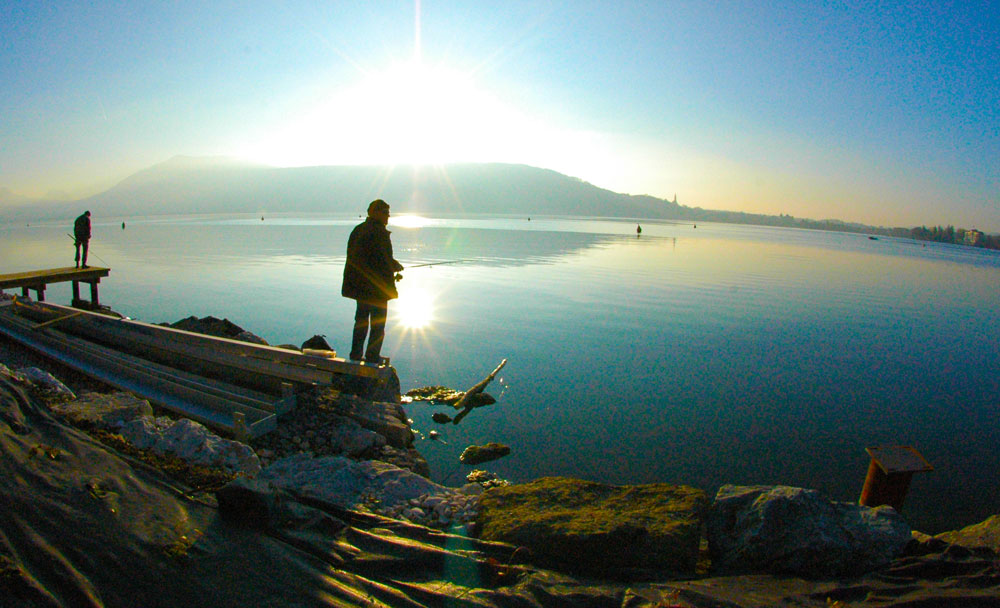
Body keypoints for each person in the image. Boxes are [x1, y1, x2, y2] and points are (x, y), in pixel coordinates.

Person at [341, 199, 404, 364]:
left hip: (359, 287)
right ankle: (372, 356)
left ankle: (355, 355)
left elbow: (361, 258)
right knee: (378, 325)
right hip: (376, 289)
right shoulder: (379, 233)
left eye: (388, 214)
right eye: (385, 213)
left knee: (361, 322)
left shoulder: (358, 230)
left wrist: (391, 265)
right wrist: (395, 266)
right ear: (375, 213)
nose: (387, 217)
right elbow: (382, 260)